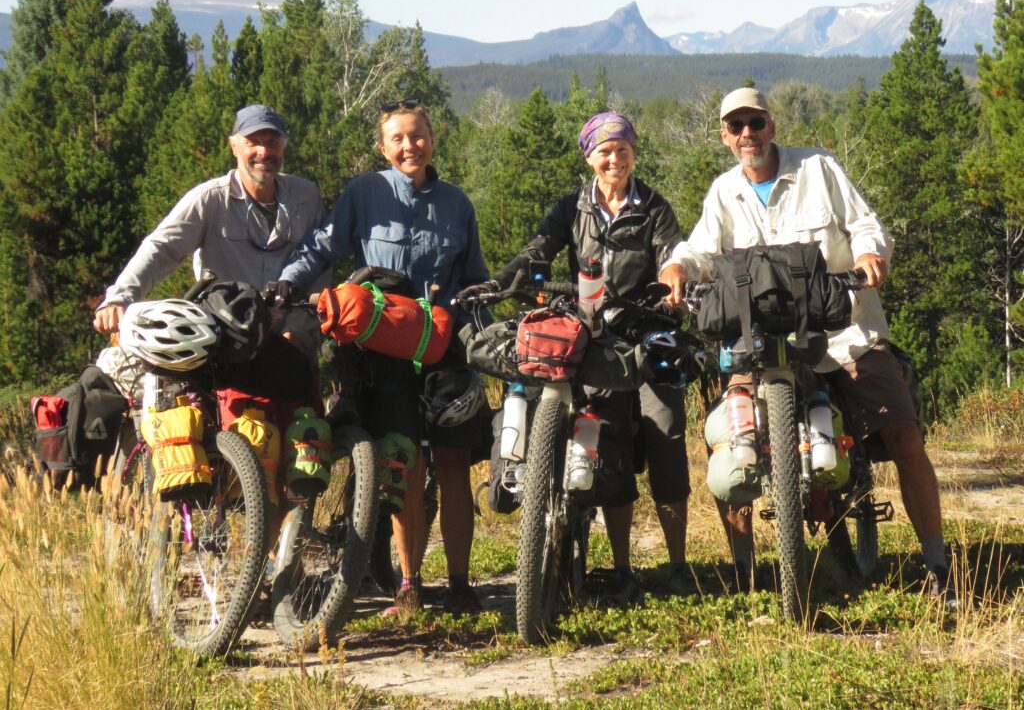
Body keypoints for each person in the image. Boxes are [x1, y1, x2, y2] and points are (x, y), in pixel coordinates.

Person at [660, 87, 954, 603]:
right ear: (724, 137)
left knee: (904, 432)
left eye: (755, 122)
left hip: (841, 334)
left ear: (771, 126)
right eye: (736, 126)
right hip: (758, 342)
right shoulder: (724, 192)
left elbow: (863, 224)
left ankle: (938, 566)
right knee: (727, 442)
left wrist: (868, 253)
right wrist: (677, 268)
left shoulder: (819, 169)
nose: (747, 134)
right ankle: (747, 575)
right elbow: (701, 248)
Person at [464, 111, 692, 604]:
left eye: (622, 149)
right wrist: (499, 284)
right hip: (591, 335)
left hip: (645, 330)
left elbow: (672, 250)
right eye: (604, 151)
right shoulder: (572, 207)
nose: (614, 158)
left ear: (634, 152)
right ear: (589, 156)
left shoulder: (652, 206)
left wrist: (673, 277)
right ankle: (622, 567)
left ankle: (676, 565)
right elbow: (537, 252)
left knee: (665, 434)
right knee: (607, 442)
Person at [277, 99, 492, 616]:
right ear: (382, 147)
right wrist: (287, 282)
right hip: (383, 354)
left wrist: (482, 323)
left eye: (416, 136)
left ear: (433, 139)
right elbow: (323, 246)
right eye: (397, 138)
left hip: (443, 351)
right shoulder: (364, 193)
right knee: (405, 464)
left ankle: (460, 584)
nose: (408, 146)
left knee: (455, 467)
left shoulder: (457, 204)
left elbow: (474, 278)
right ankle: (409, 585)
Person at [94, 103, 326, 354]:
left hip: (291, 345)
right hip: (226, 340)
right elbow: (162, 248)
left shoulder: (306, 196)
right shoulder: (210, 199)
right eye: (252, 142)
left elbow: (319, 264)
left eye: (272, 142)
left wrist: (298, 334)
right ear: (233, 146)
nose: (263, 151)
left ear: (283, 146)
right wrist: (119, 298)